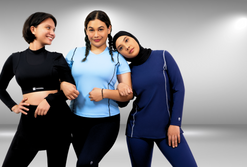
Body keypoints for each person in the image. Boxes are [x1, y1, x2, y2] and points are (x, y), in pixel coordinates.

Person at [0, 12, 78, 167]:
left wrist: (50, 100)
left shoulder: (57, 58)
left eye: (54, 29)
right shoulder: (15, 59)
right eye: (48, 27)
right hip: (30, 120)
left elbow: (71, 90)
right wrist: (13, 106)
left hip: (58, 118)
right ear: (33, 29)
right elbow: (0, 88)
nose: (52, 33)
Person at [113, 31, 198, 167]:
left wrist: (176, 123)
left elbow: (179, 89)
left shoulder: (163, 56)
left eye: (127, 40)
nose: (126, 47)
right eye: (121, 48)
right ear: (120, 54)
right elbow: (122, 103)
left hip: (168, 129)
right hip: (138, 132)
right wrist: (120, 86)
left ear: (134, 38)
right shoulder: (127, 72)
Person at [60, 10, 133, 167]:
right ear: (86, 31)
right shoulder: (73, 54)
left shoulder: (118, 58)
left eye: (100, 29)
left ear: (109, 29)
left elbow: (128, 95)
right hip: (76, 120)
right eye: (91, 29)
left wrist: (104, 93)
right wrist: (62, 84)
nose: (96, 34)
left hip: (106, 121)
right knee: (87, 163)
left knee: (85, 163)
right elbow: (62, 81)